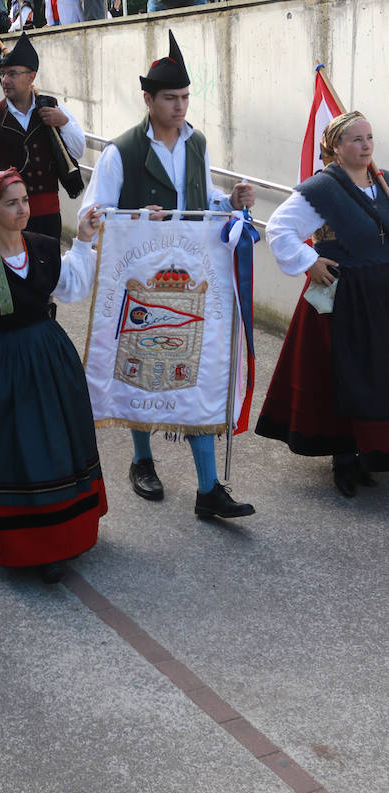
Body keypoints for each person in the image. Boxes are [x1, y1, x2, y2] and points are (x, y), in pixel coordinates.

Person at [81, 30, 257, 520]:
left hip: (193, 276)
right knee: (141, 366)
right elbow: (93, 213)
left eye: (184, 97)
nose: (180, 107)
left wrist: (231, 202)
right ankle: (142, 460)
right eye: (170, 99)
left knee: (194, 373)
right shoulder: (122, 152)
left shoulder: (196, 142)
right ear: (148, 100)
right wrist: (139, 219)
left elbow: (199, 203)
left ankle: (208, 490)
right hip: (140, 278)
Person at [0, 169, 107, 582]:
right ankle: (36, 545)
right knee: (22, 450)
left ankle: (67, 531)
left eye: (25, 200)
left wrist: (82, 240)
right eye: (11, 203)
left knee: (61, 445)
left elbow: (72, 287)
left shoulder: (44, 248)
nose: (23, 209)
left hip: (50, 358)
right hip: (5, 368)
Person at [256, 111, 389, 498]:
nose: (365, 146)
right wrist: (308, 262)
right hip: (343, 297)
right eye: (356, 140)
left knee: (376, 375)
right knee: (343, 376)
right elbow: (279, 228)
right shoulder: (321, 189)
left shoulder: (380, 182)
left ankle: (371, 452)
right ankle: (343, 461)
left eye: (369, 138)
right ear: (336, 147)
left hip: (380, 297)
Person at [0, 32, 85, 240]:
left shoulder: (52, 109)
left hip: (48, 215)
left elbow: (78, 150)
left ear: (31, 76)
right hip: (6, 217)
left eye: (12, 74)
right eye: (3, 74)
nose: (5, 80)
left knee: (47, 271)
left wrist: (64, 122)